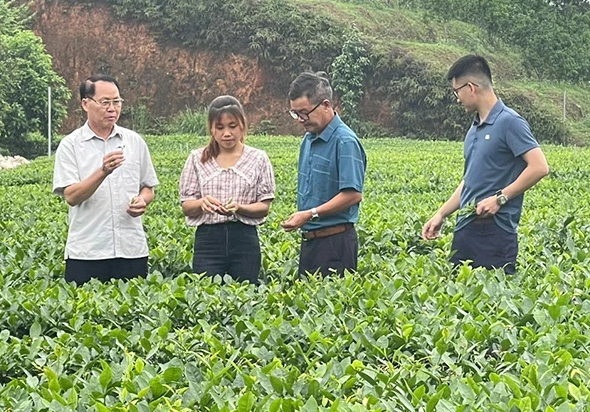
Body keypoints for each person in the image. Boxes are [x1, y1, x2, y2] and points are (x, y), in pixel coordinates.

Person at [422, 55, 549, 274]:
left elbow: (539, 167)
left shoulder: (510, 122)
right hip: (465, 229)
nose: (457, 98)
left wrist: (500, 198)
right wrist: (441, 214)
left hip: (495, 232)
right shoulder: (473, 130)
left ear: (470, 88)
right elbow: (469, 181)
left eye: (457, 91)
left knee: (494, 300)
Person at [53, 74, 159, 285]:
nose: (113, 108)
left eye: (117, 102)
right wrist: (102, 171)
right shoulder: (71, 145)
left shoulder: (135, 142)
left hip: (131, 250)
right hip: (87, 253)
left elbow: (148, 187)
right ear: (86, 103)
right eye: (105, 102)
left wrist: (143, 200)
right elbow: (71, 196)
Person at [178, 96, 275, 283]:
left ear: (242, 126)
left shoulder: (258, 158)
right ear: (211, 129)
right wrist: (201, 203)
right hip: (208, 241)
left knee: (245, 296)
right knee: (207, 296)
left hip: (245, 239)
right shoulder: (197, 159)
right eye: (220, 127)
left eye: (232, 126)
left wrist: (240, 208)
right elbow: (186, 206)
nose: (227, 133)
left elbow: (264, 206)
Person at [281, 71, 367, 277]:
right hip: (310, 240)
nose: (300, 120)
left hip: (335, 244)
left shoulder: (344, 141)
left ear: (326, 105)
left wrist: (310, 214)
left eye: (304, 112)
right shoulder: (308, 139)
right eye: (295, 114)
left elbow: (353, 194)